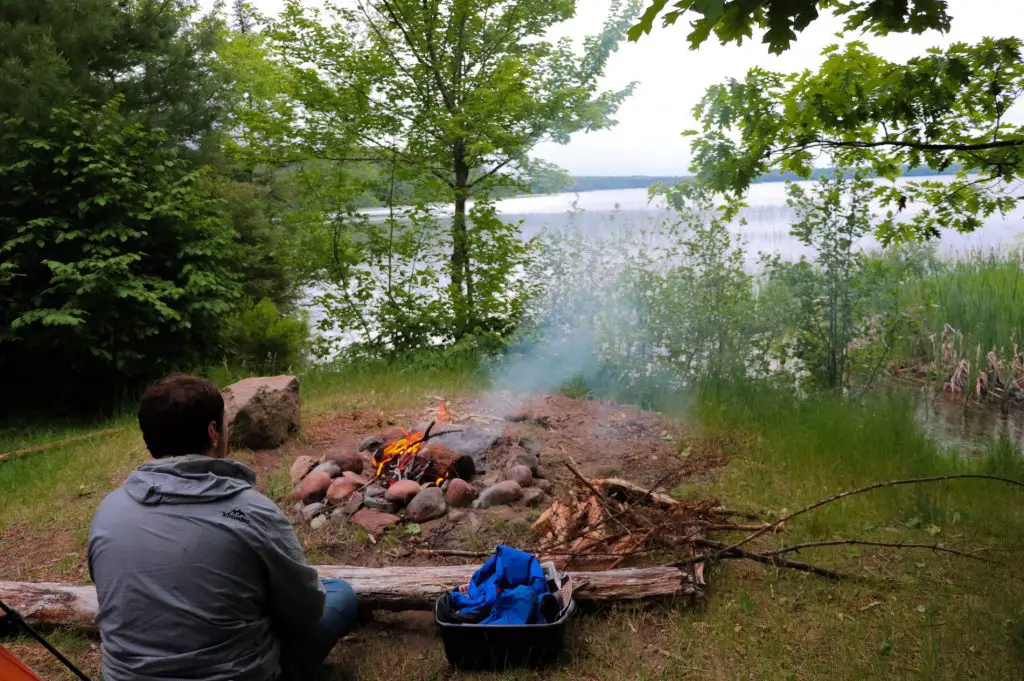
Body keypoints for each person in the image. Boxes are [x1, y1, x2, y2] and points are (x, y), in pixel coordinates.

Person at [88, 374, 357, 681]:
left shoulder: (109, 511)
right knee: (340, 595)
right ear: (213, 432)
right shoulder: (252, 511)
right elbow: (306, 612)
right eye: (226, 423)